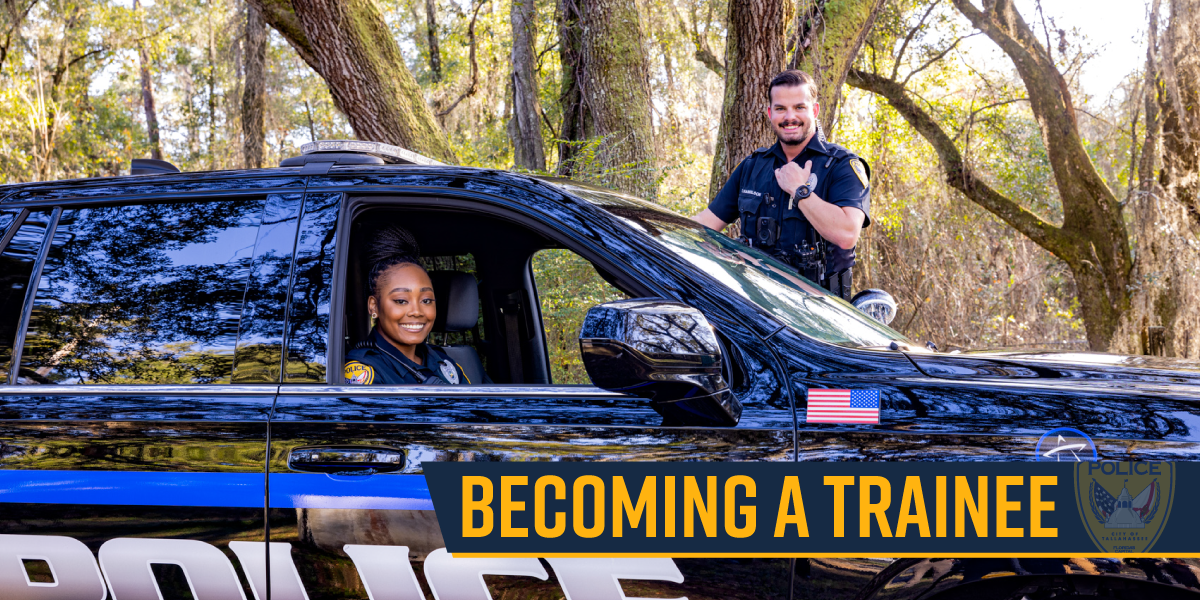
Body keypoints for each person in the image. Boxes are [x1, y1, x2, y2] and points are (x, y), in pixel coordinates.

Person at [694, 69, 871, 300]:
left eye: (799, 107)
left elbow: (847, 234)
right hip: (755, 304)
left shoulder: (841, 165)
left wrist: (801, 191)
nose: (790, 117)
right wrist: (655, 231)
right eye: (780, 109)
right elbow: (705, 224)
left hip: (820, 313)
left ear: (814, 110)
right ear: (770, 113)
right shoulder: (753, 166)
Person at [344, 226, 472, 385]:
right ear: (374, 306)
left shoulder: (445, 363)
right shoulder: (364, 373)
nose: (417, 312)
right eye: (401, 301)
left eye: (426, 300)